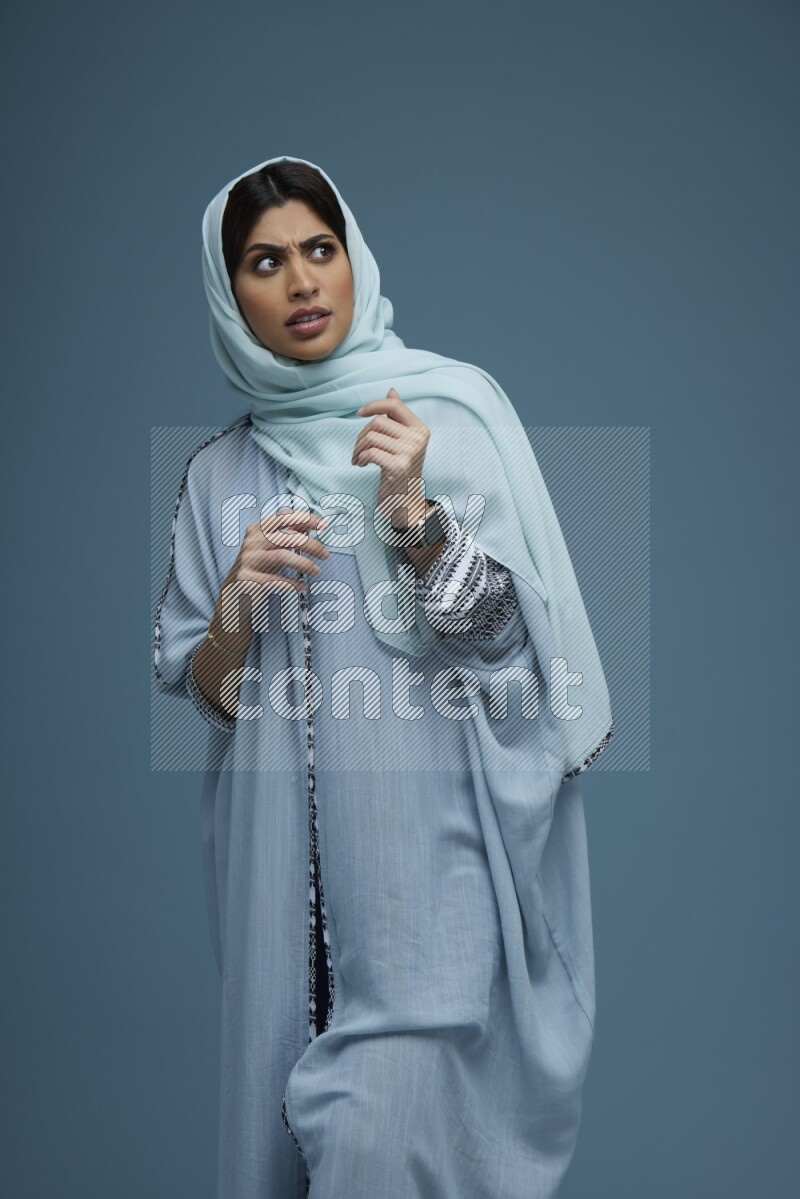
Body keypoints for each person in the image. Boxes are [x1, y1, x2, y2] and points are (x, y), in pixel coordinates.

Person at [153, 154, 614, 1198]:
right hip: (279, 896)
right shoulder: (217, 475)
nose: (301, 281)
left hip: (430, 887)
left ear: (353, 258)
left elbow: (507, 653)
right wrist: (234, 604)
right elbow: (213, 697)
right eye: (265, 263)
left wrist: (411, 513)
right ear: (230, 296)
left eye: (319, 249)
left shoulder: (441, 421)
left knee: (373, 1136)